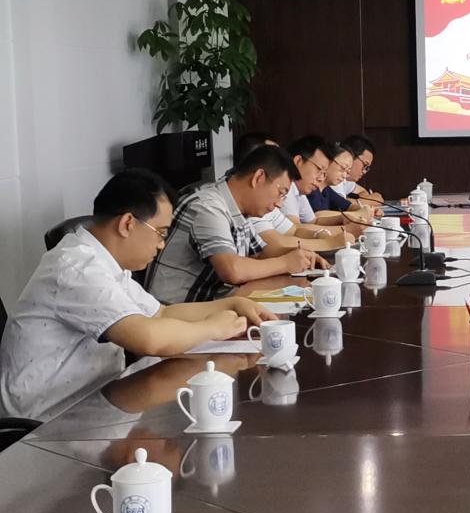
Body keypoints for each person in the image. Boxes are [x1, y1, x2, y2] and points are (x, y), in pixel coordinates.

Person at [0, 169, 274, 421]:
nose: (162, 244)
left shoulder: (105, 262)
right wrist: (214, 327)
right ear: (128, 223)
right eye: (161, 233)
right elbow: (148, 339)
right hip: (46, 421)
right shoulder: (77, 268)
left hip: (99, 399)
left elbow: (160, 313)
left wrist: (234, 304)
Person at [146, 145, 328, 303]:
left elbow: (260, 254)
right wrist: (286, 263)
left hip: (208, 307)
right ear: (258, 178)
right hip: (178, 314)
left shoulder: (239, 209)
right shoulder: (208, 207)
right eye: (281, 193)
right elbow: (232, 270)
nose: (280, 204)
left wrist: (301, 255)